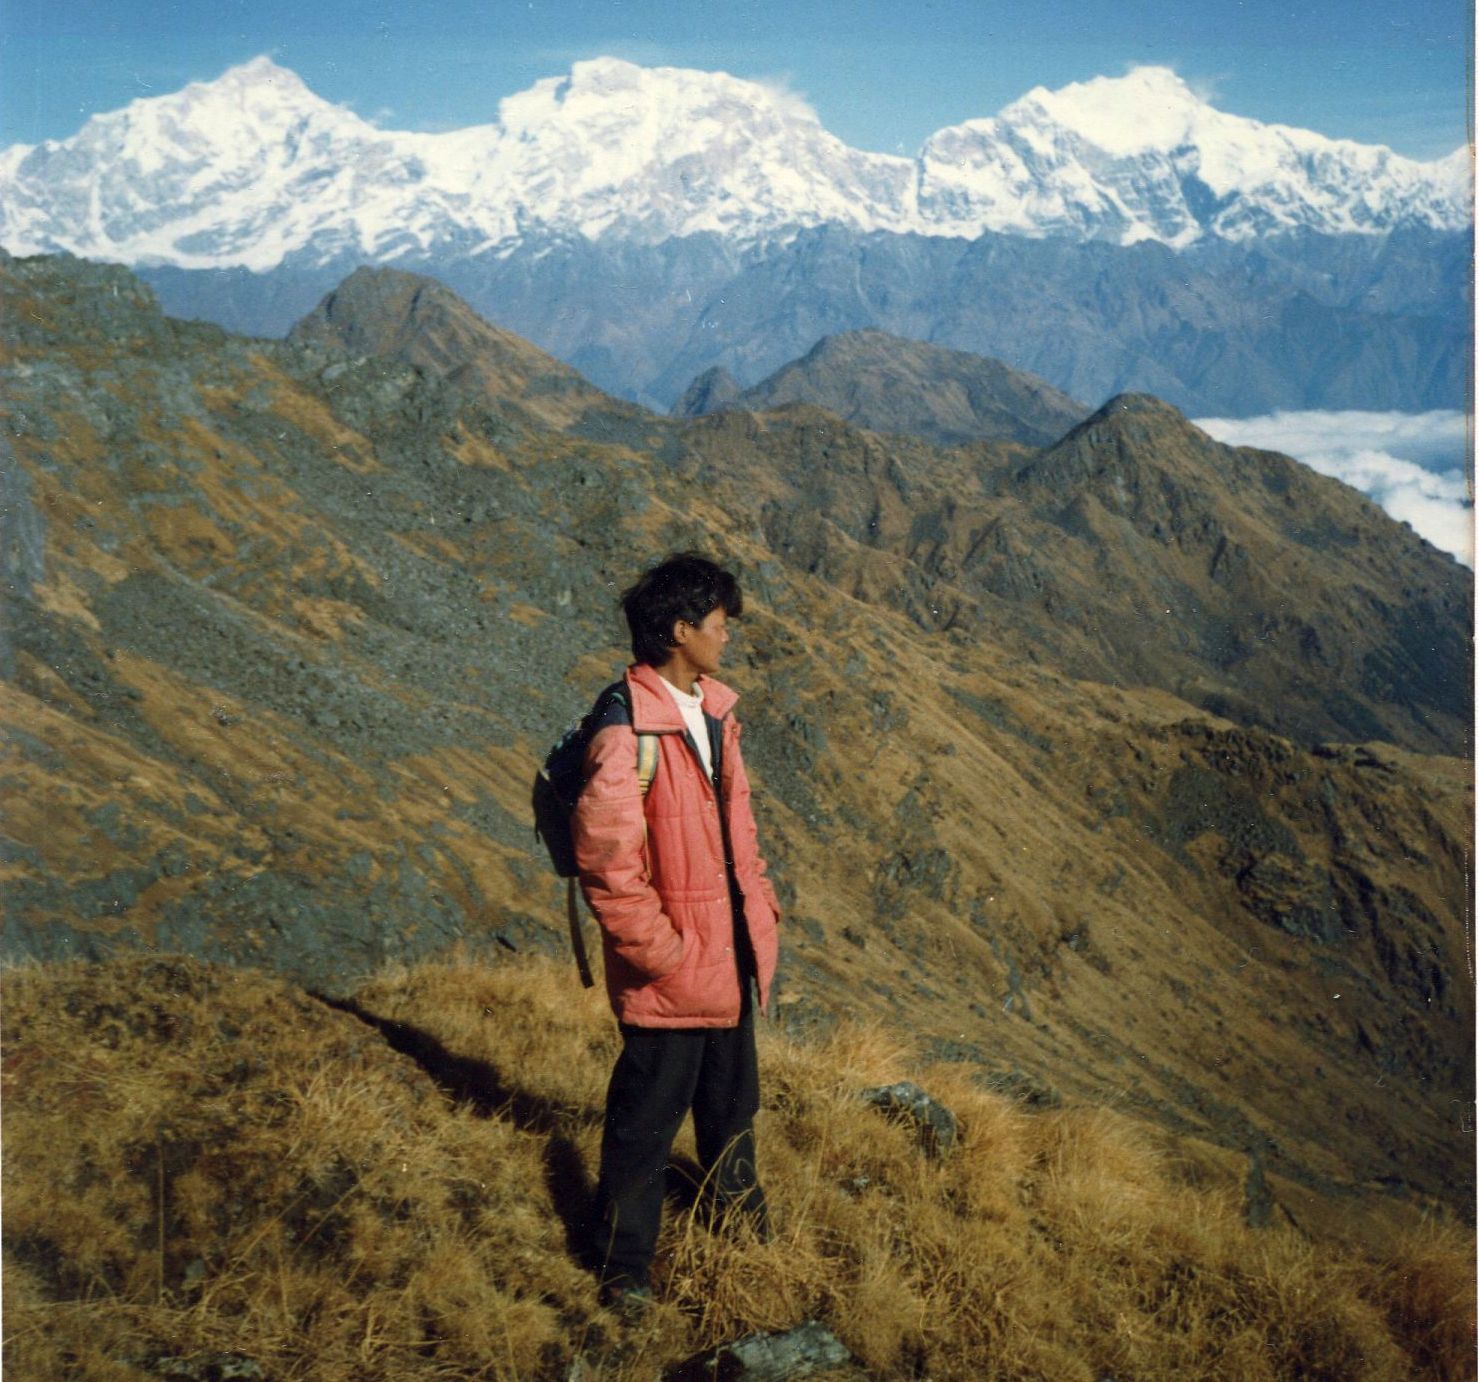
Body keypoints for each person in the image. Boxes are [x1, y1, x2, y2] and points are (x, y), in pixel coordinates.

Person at [573, 552, 781, 1309]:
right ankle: (622, 1271)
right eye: (718, 622)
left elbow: (739, 837)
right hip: (673, 973)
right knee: (645, 1128)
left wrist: (757, 916)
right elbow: (608, 865)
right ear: (678, 630)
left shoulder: (716, 713)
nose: (728, 633)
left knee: (733, 1107)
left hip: (726, 960)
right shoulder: (627, 732)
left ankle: (743, 1232)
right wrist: (665, 956)